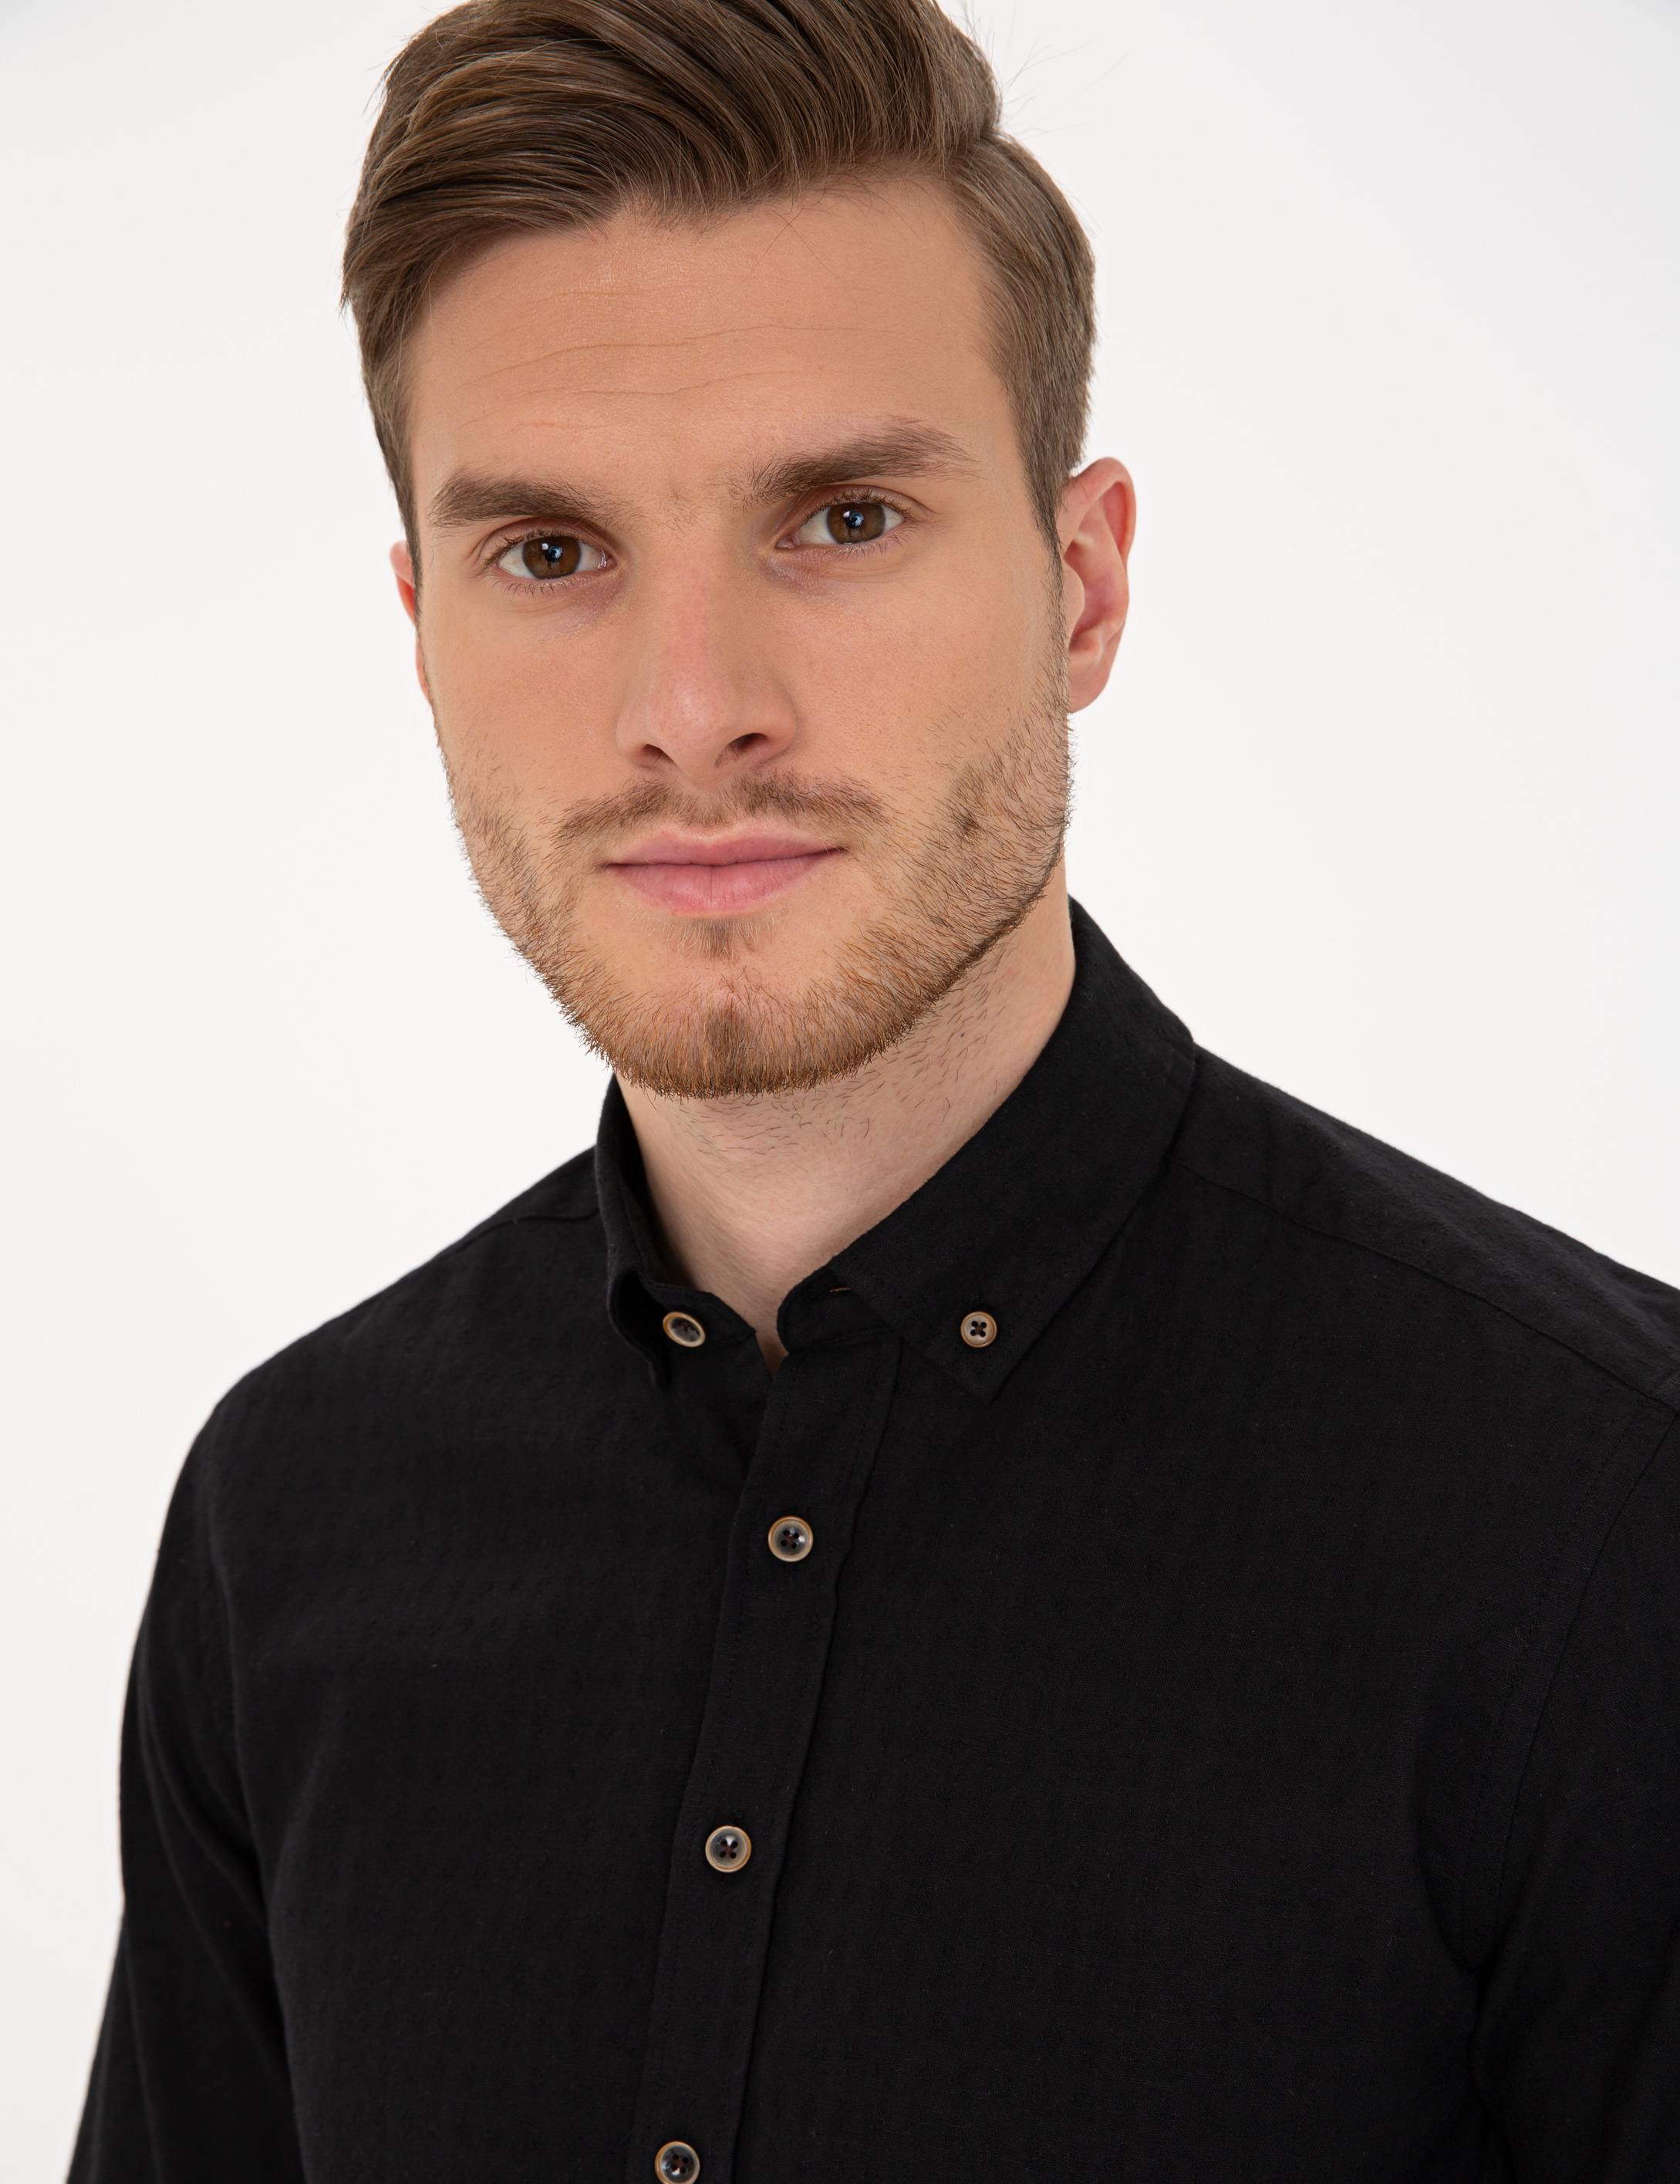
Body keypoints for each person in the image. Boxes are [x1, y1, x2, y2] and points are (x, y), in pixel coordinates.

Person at [69, 1, 1680, 2177]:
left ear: (1081, 588)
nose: (691, 707)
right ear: (421, 626)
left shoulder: (1604, 1522)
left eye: (839, 516)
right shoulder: (291, 1512)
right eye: (549, 552)